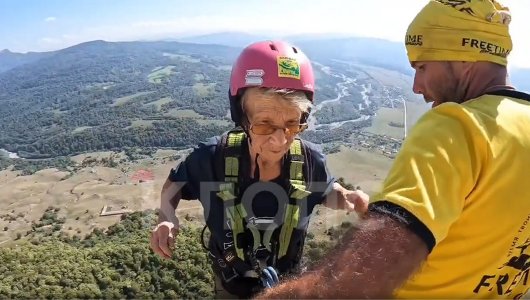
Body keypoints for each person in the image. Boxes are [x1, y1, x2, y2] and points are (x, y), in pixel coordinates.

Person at [257, 0, 530, 298]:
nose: (416, 85)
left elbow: (350, 284)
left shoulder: (459, 126)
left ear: (464, 57)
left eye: (423, 66)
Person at [149, 40, 369, 299]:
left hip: (289, 283)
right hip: (232, 283)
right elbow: (174, 185)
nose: (279, 140)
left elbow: (327, 191)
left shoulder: (311, 162)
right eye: (264, 125)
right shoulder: (211, 160)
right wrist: (167, 216)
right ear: (242, 117)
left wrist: (348, 199)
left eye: (292, 124)